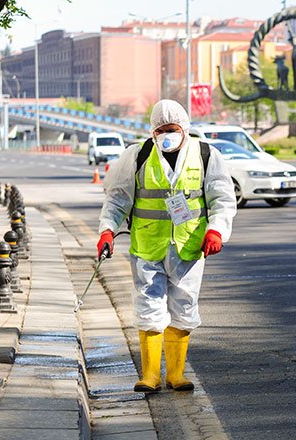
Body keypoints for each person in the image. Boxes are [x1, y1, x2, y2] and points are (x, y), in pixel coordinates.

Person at [96, 99, 237, 393]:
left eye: (171, 129)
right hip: (147, 244)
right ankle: (150, 376)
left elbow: (221, 198)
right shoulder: (137, 155)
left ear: (184, 128)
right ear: (152, 131)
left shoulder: (206, 155)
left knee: (184, 306)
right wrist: (107, 231)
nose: (166, 135)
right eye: (160, 130)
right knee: (148, 305)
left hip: (189, 244)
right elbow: (117, 197)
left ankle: (176, 374)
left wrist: (216, 232)